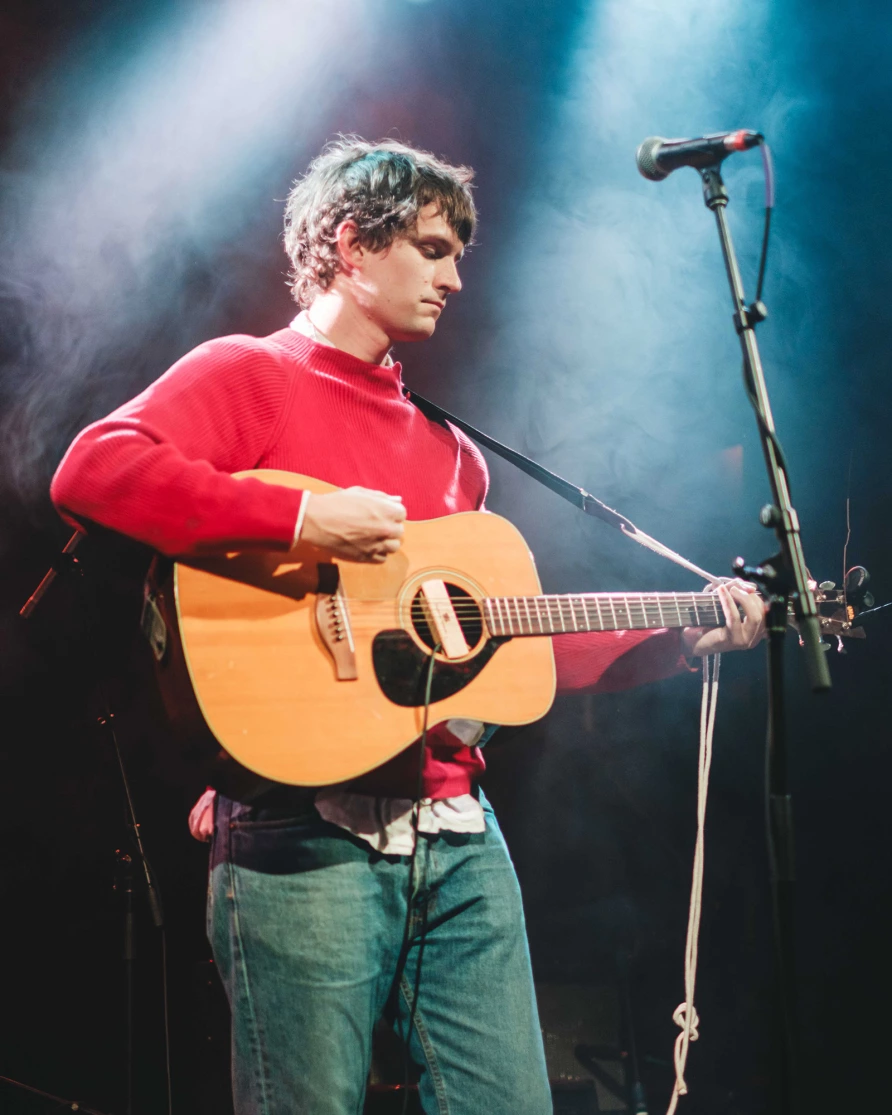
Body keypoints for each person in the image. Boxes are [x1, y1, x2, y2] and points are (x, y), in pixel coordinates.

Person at [51, 138, 764, 1115]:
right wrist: (300, 518)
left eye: (457, 254)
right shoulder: (251, 373)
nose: (454, 277)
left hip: (458, 832)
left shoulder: (454, 455)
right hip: (302, 833)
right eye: (432, 249)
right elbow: (92, 470)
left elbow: (502, 651)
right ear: (352, 244)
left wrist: (680, 636)